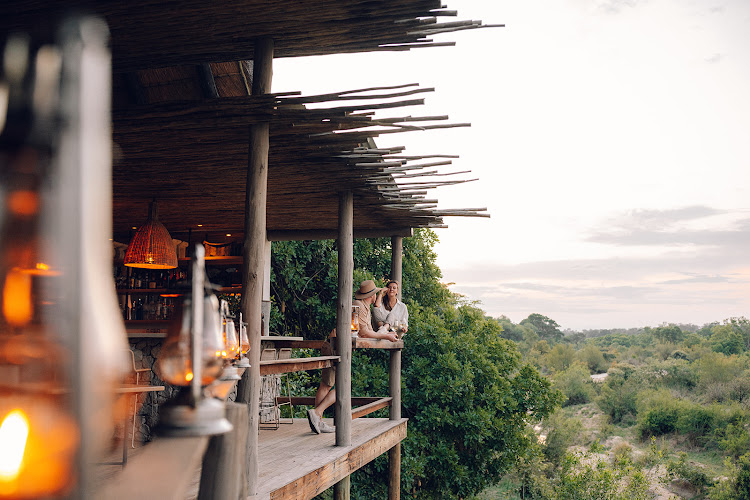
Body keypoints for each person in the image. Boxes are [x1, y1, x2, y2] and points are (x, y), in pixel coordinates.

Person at [307, 279, 398, 434]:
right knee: (339, 384)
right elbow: (362, 332)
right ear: (370, 296)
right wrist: (385, 337)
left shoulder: (365, 306)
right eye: (375, 294)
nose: (376, 296)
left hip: (338, 346)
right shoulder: (357, 306)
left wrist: (384, 333)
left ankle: (318, 419)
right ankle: (316, 413)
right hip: (335, 346)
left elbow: (366, 331)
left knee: (328, 384)